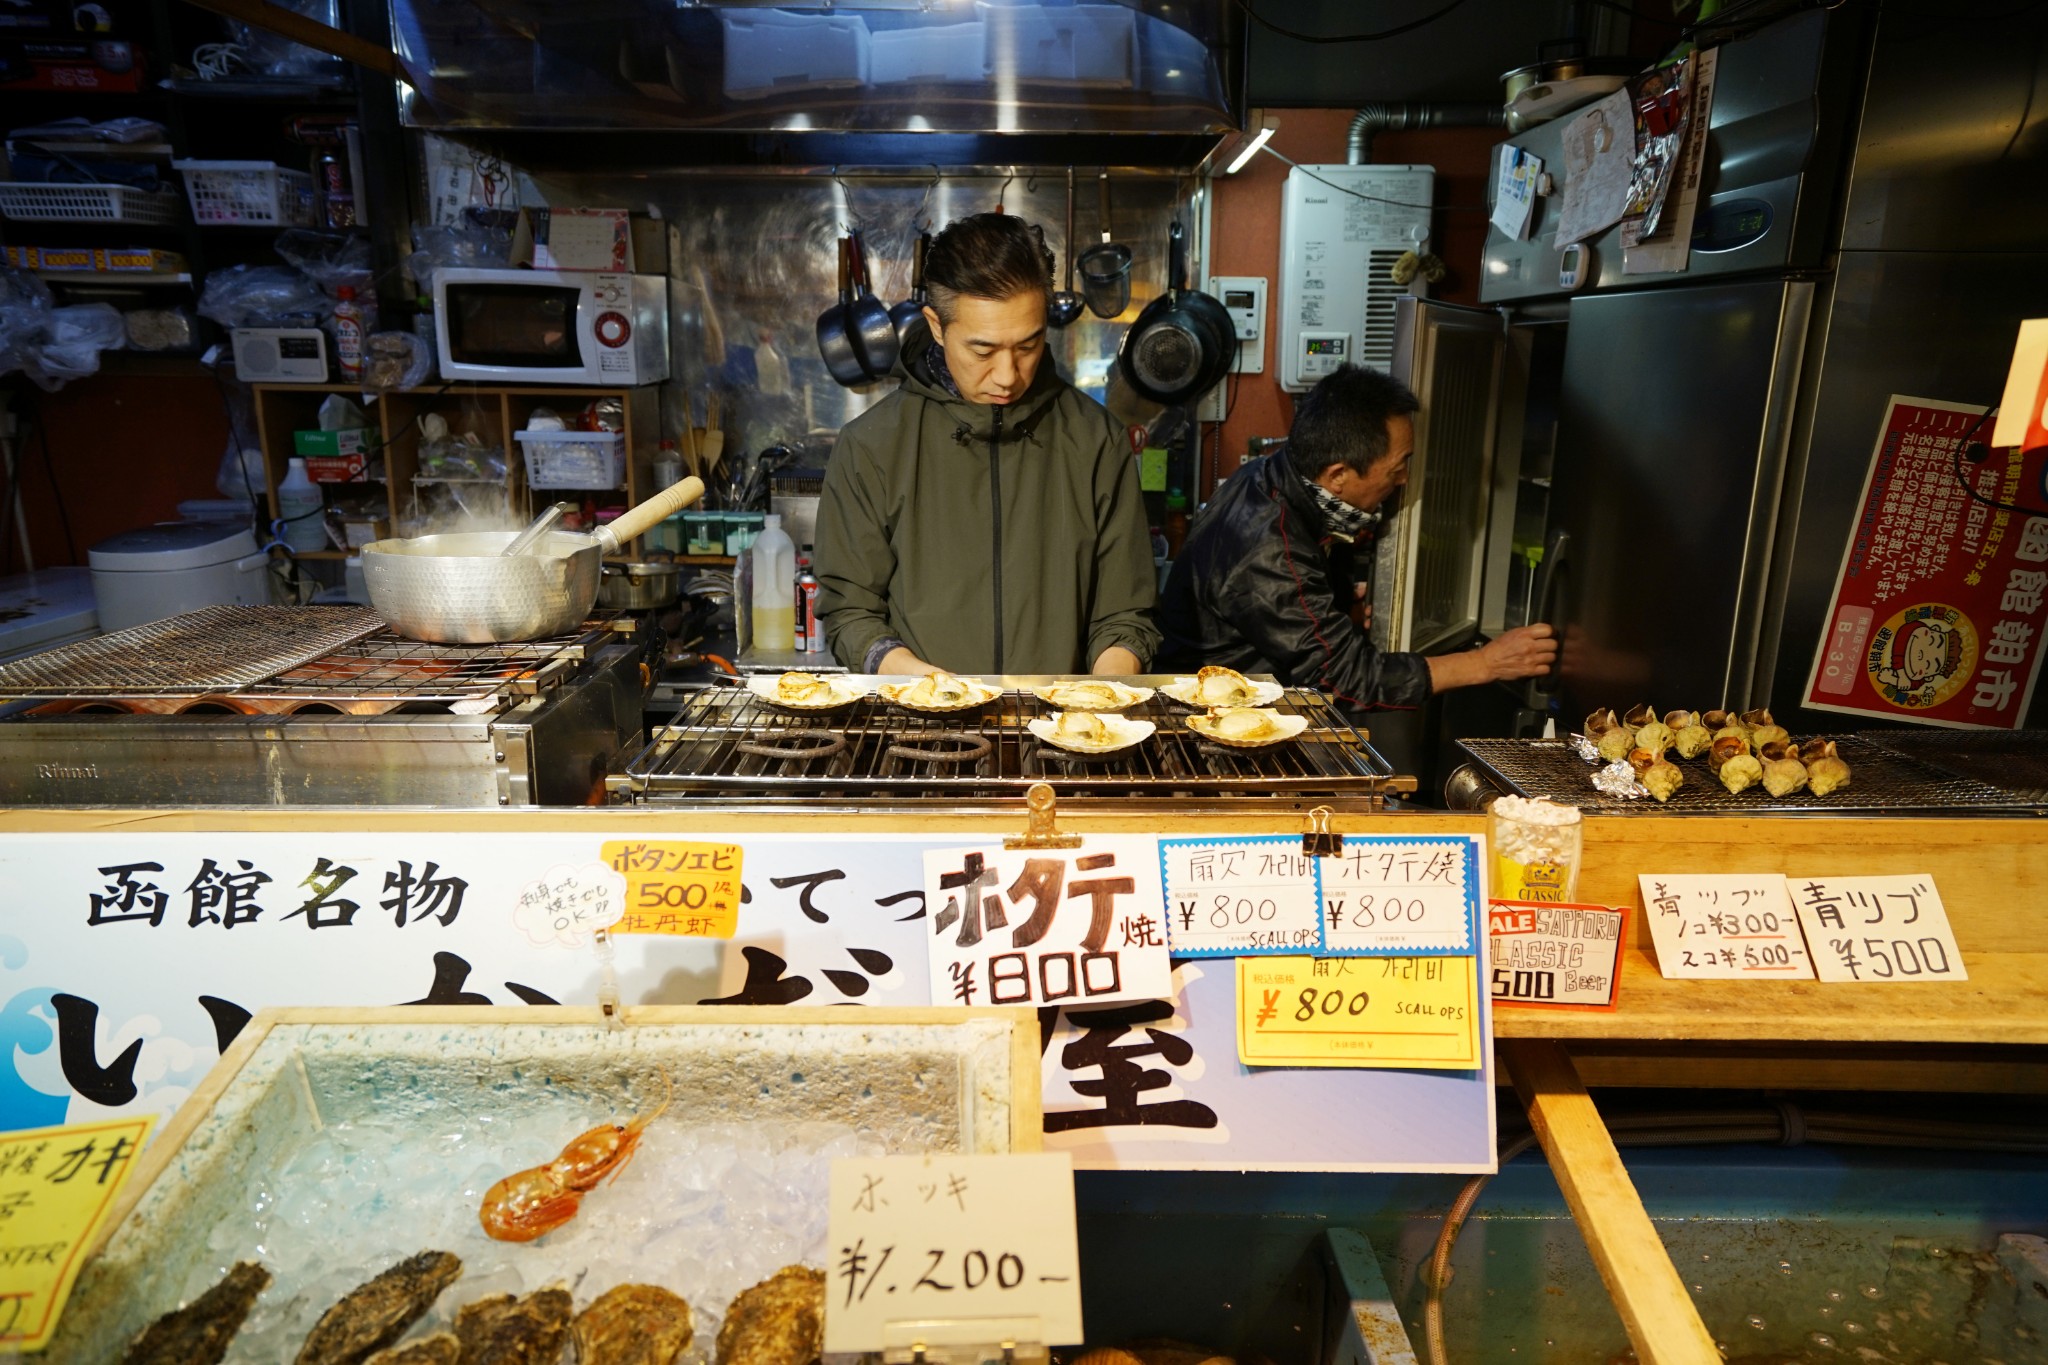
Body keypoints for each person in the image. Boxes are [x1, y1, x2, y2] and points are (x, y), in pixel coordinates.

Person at [815, 213, 1160, 676]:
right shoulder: (872, 447)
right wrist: (932, 689)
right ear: (936, 327)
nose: (1007, 375)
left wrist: (1098, 705)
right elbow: (850, 612)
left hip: (1064, 735)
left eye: (1028, 345)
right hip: (925, 734)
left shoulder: (1096, 439)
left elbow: (1125, 615)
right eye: (982, 351)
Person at [1158, 363, 1557, 708]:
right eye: (1398, 467)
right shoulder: (1267, 546)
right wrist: (1485, 663)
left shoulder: (1272, 476)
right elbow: (1343, 678)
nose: (1404, 480)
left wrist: (1333, 603)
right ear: (1338, 476)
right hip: (1213, 719)